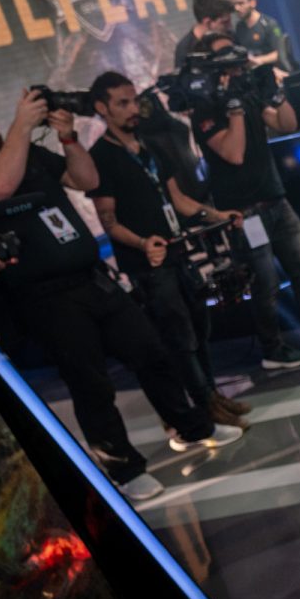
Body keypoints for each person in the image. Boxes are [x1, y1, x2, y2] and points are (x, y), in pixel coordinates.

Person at [0, 84, 242, 500]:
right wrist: (21, 126)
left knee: (151, 351)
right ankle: (123, 469)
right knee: (91, 384)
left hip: (91, 277)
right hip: (45, 296)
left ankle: (191, 427)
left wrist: (68, 138)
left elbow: (86, 179)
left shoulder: (24, 153)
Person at [188, 32, 300, 371]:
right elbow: (234, 153)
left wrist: (275, 93)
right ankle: (272, 349)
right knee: (266, 284)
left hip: (276, 199)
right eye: (224, 56)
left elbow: (287, 123)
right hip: (244, 212)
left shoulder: (245, 94)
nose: (233, 62)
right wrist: (234, 108)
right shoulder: (204, 111)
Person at [87, 71, 250, 430]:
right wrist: (143, 243)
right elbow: (108, 221)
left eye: (134, 100)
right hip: (147, 263)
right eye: (123, 103)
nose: (134, 109)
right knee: (178, 336)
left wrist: (217, 215)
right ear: (102, 108)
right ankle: (204, 404)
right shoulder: (100, 157)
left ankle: (211, 395)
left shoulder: (150, 146)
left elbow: (177, 199)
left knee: (198, 326)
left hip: (178, 252)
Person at [230, 0, 289, 71]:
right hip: (254, 73)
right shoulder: (239, 27)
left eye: (241, 3)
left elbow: (279, 53)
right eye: (234, 5)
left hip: (275, 71)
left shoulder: (270, 24)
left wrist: (258, 60)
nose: (237, 8)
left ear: (253, 3)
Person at [173, 0, 234, 69]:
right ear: (207, 22)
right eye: (225, 22)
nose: (230, 26)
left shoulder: (230, 36)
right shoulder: (185, 50)